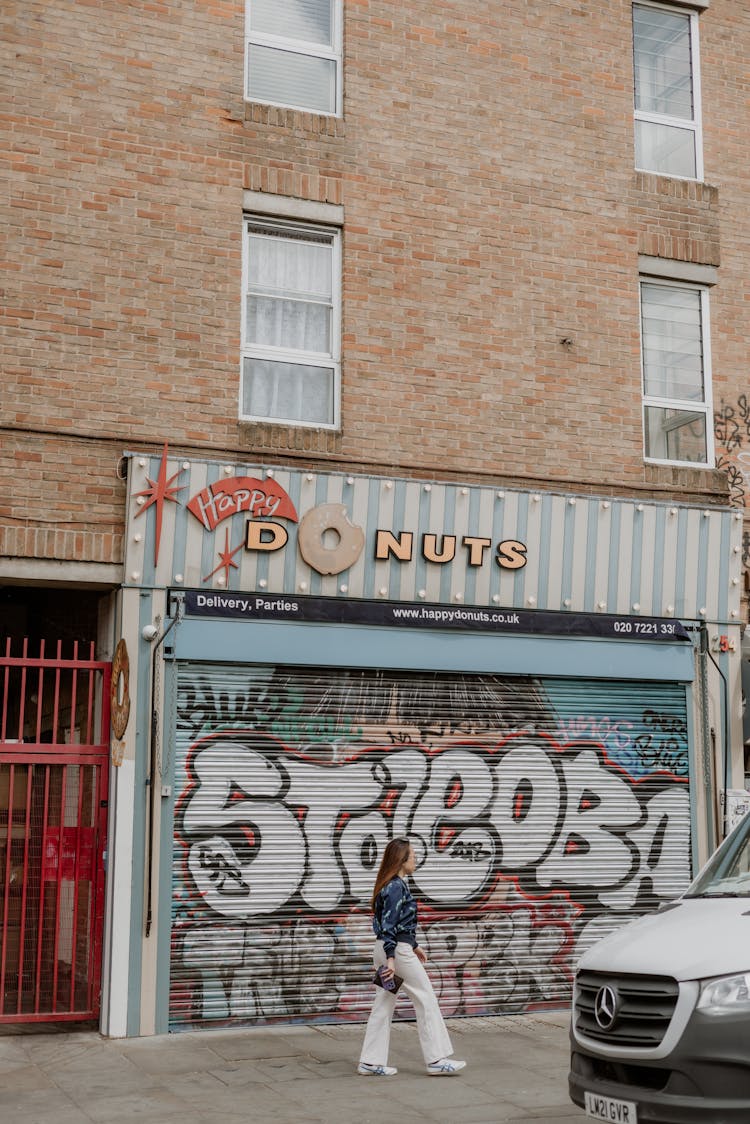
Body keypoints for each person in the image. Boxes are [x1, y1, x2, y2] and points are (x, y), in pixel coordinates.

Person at [357, 837, 467, 1077]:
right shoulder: (396, 886)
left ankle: (370, 1062)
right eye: (413, 856)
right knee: (425, 997)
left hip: (388, 949)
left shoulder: (389, 885)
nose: (415, 859)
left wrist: (413, 944)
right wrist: (392, 959)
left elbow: (393, 923)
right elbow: (389, 925)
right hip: (395, 952)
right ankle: (436, 1059)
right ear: (401, 860)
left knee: (383, 1004)